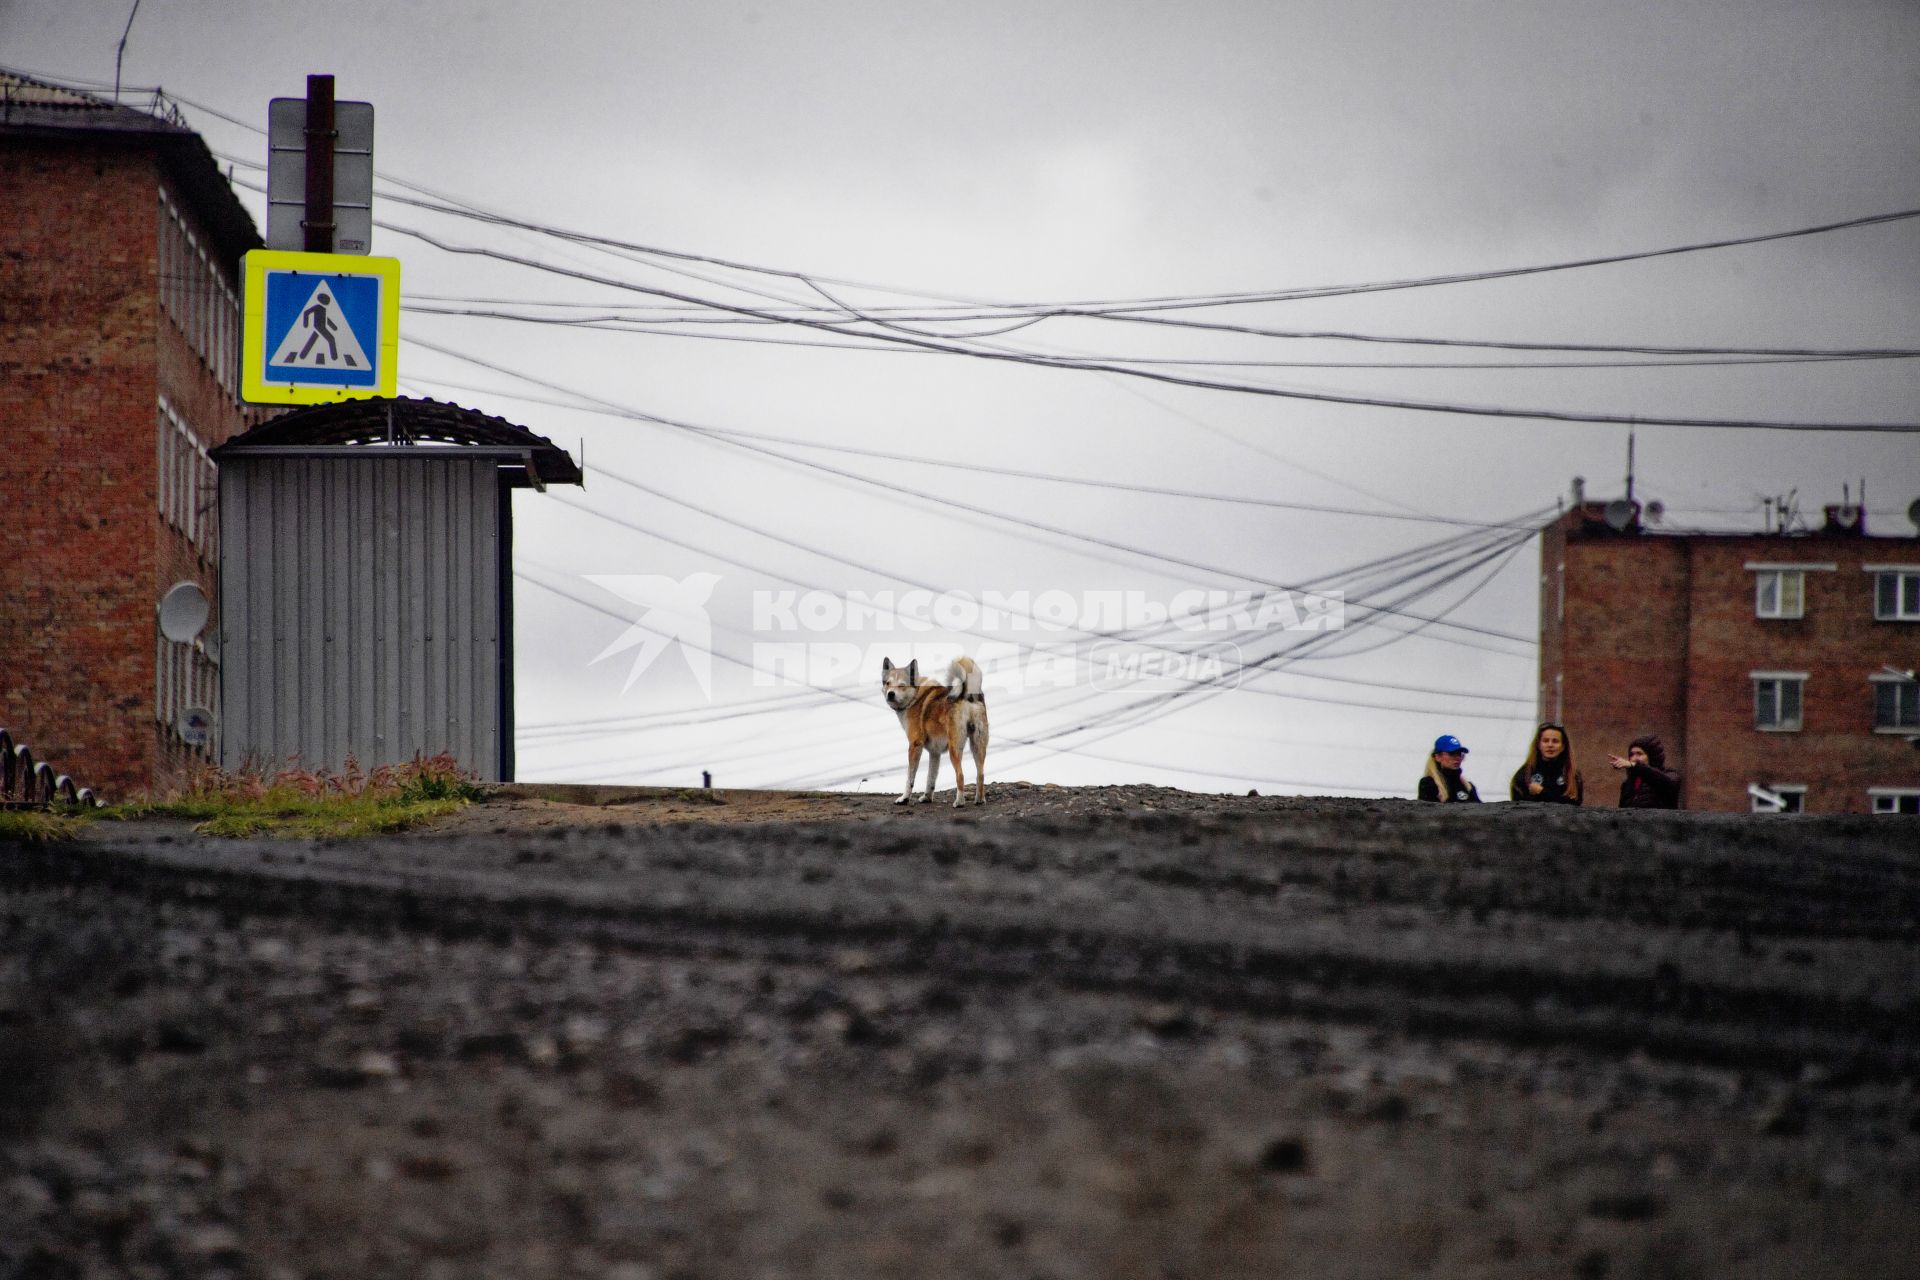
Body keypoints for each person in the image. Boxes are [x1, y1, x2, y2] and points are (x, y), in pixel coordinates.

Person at [1509, 722, 1583, 805]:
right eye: (1545, 741)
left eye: (1555, 741)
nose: (1550, 745)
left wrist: (1542, 793)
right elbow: (1517, 806)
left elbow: (1574, 805)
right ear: (1539, 745)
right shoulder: (1526, 773)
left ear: (1563, 746)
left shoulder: (1571, 775)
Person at [1609, 735, 1681, 809]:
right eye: (1631, 755)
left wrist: (1635, 766)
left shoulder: (1671, 775)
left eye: (1639, 754)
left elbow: (1665, 783)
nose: (1634, 758)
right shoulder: (1628, 783)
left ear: (1652, 756)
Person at [1418, 734, 1480, 803]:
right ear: (1437, 757)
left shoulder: (1468, 787)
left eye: (1459, 754)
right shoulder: (1429, 784)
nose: (1458, 758)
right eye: (1452, 753)